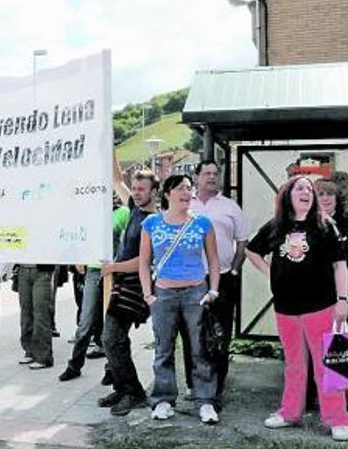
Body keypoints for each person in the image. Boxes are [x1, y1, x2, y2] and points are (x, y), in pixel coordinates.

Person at [246, 176, 348, 442]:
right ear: (287, 195)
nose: (306, 192)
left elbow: (340, 265)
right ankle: (290, 412)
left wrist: (343, 300)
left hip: (321, 306)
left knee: (329, 366)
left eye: (309, 189)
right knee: (294, 364)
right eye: (300, 188)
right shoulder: (276, 226)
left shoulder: (324, 225)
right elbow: (251, 251)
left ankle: (338, 419)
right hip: (286, 308)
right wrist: (272, 273)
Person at [140, 174, 221, 424]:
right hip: (163, 294)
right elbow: (143, 261)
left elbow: (214, 260)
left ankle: (205, 401)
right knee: (163, 349)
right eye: (181, 188)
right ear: (167, 194)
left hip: (196, 292)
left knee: (200, 349)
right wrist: (148, 294)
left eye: (189, 188)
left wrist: (213, 290)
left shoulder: (202, 223)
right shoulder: (152, 223)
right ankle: (163, 400)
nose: (187, 193)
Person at [60, 165, 136, 384]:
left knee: (110, 322)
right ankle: (74, 365)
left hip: (114, 273)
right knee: (85, 321)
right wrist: (78, 257)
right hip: (93, 271)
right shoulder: (88, 212)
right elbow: (78, 236)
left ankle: (111, 369)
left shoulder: (122, 212)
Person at [94, 170, 159, 416]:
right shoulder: (134, 208)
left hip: (134, 285)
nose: (136, 192)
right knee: (114, 338)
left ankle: (134, 393)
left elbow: (145, 260)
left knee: (111, 337)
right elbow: (117, 179)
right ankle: (123, 388)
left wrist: (114, 267)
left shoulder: (152, 220)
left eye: (142, 189)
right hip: (121, 282)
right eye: (135, 188)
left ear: (154, 192)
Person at [186, 159, 250, 402]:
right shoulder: (185, 203)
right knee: (192, 333)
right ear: (196, 177)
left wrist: (234, 270)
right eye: (207, 173)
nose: (212, 177)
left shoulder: (230, 207)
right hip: (190, 279)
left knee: (220, 334)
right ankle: (194, 387)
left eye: (215, 173)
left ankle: (216, 388)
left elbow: (242, 241)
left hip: (222, 278)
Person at [316, 177, 348, 318]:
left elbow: (345, 250)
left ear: (337, 198)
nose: (325, 198)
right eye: (320, 194)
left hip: (339, 287)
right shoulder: (304, 223)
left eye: (330, 194)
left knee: (337, 334)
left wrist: (329, 224)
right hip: (312, 287)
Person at [17, 263, 56, 369]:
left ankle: (43, 356)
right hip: (22, 269)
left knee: (41, 313)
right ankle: (29, 351)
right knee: (26, 313)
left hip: (43, 270)